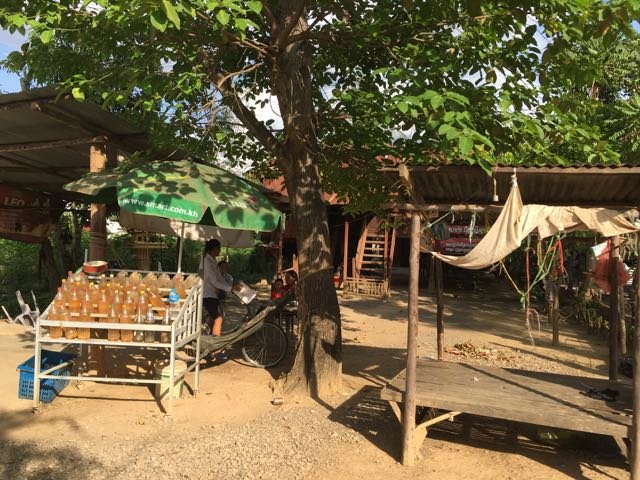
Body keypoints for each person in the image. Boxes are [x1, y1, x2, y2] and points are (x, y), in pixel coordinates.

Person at [199, 239, 238, 337]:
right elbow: (214, 281)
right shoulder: (206, 261)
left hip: (213, 294)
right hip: (207, 294)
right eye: (218, 249)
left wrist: (231, 287)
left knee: (217, 318)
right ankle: (215, 343)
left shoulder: (212, 260)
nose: (219, 251)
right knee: (218, 319)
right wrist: (230, 288)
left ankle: (211, 337)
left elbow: (219, 278)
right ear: (214, 249)